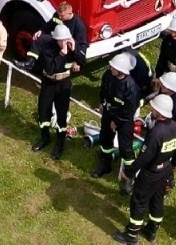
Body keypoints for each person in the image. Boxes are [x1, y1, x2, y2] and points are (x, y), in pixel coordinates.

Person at [113, 93, 176, 244]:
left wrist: (129, 173)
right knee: (157, 200)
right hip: (165, 169)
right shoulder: (175, 127)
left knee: (138, 201)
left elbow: (144, 157)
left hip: (151, 173)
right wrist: (172, 168)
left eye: (154, 108)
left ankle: (131, 236)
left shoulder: (156, 132)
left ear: (160, 112)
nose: (151, 110)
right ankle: (151, 230)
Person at [31, 24, 83, 160]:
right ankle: (45, 137)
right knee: (43, 110)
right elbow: (50, 69)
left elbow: (82, 61)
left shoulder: (71, 48)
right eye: (62, 40)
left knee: (62, 115)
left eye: (67, 39)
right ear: (56, 40)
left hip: (63, 84)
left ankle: (60, 144)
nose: (64, 43)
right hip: (49, 83)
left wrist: (75, 49)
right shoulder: (48, 49)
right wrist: (61, 55)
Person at [94, 52, 142, 184]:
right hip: (109, 112)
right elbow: (104, 90)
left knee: (125, 148)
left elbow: (129, 109)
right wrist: (102, 102)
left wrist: (117, 121)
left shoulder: (131, 87)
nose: (111, 69)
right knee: (105, 138)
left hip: (124, 120)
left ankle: (129, 175)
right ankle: (105, 164)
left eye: (114, 68)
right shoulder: (108, 76)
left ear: (122, 71)